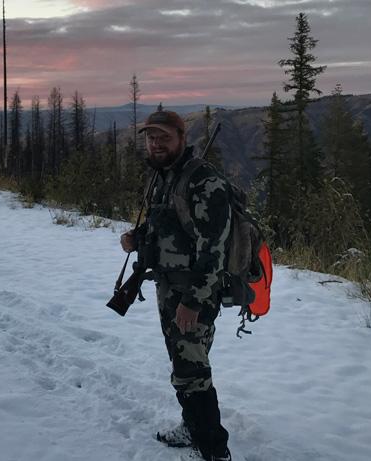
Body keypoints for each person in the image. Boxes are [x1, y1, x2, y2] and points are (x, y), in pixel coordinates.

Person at [120, 109, 232, 461]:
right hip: (168, 286)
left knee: (192, 374)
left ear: (181, 138)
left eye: (163, 137)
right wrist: (136, 238)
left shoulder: (203, 181)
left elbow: (214, 249)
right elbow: (164, 224)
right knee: (186, 363)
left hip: (192, 292)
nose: (155, 144)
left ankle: (215, 451)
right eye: (150, 137)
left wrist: (194, 301)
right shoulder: (163, 176)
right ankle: (191, 428)